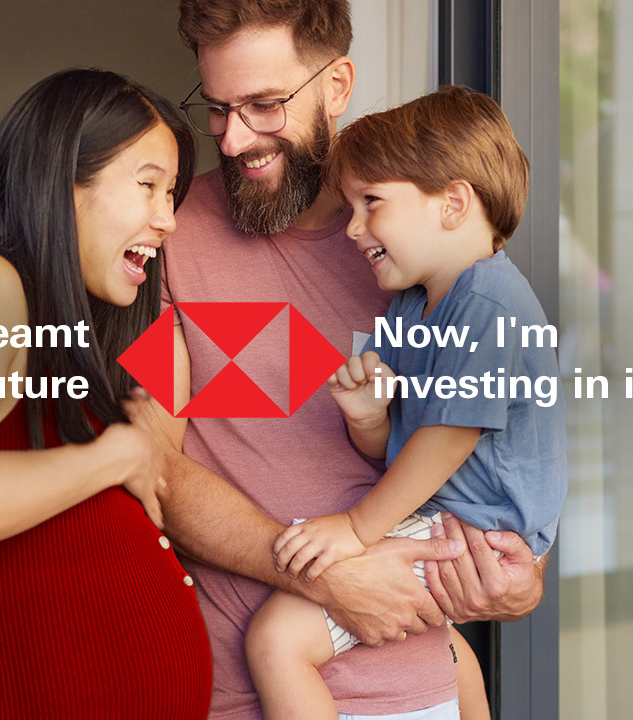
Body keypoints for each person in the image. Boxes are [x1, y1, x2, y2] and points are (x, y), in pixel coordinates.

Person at [145, 1, 549, 718]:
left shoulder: (422, 249)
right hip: (247, 690)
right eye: (217, 107)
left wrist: (521, 575)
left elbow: (495, 434)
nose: (235, 138)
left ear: (336, 86)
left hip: (424, 682)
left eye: (265, 105)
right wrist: (324, 576)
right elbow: (156, 467)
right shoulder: (168, 236)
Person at [0, 68, 211, 718]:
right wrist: (112, 456)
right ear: (60, 181)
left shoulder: (103, 331)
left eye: (171, 193)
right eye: (147, 186)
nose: (167, 219)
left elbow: (156, 486)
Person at [244, 87, 569, 720]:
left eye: (372, 204)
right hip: (455, 516)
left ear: (453, 203)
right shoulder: (412, 308)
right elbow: (401, 444)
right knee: (445, 646)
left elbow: (449, 438)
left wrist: (356, 528)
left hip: (485, 530)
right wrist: (369, 418)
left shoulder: (489, 304)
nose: (354, 228)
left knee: (278, 639)